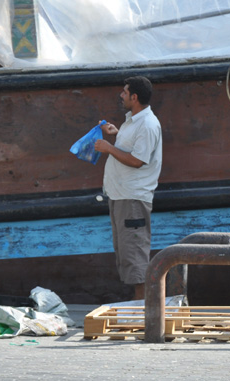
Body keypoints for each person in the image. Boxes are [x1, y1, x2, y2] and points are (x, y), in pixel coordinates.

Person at [94, 76, 163, 301]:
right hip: (121, 196)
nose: (121, 95)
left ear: (134, 97)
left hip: (132, 199)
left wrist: (108, 148)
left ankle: (144, 314)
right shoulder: (133, 122)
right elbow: (134, 148)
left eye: (124, 92)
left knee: (135, 257)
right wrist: (116, 134)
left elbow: (137, 160)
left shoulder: (147, 124)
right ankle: (140, 312)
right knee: (127, 254)